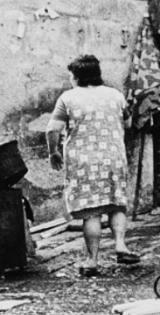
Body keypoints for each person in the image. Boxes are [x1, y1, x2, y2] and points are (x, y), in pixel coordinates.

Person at [46, 55, 140, 277]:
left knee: (92, 212)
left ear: (77, 76)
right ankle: (120, 245)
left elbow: (52, 130)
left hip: (84, 162)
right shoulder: (115, 95)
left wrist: (53, 152)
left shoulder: (68, 98)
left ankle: (92, 261)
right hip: (114, 158)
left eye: (71, 75)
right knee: (116, 204)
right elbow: (127, 123)